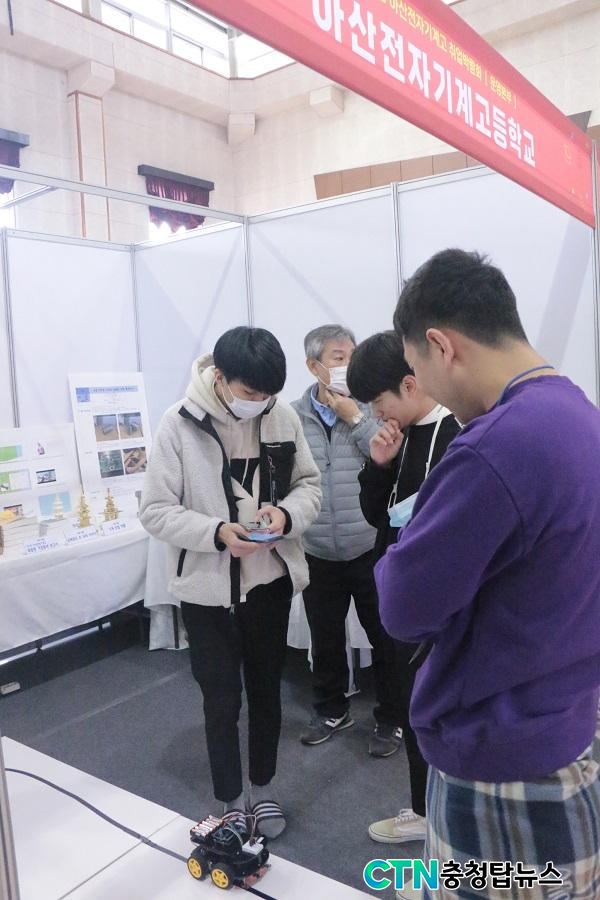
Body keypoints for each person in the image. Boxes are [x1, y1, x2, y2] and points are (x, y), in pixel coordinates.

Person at [376, 249, 600, 899]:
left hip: (501, 761)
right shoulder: (579, 414)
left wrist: (408, 534)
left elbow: (403, 608)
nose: (426, 388)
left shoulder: (496, 447)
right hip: (565, 721)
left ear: (442, 345)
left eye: (417, 369)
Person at [140, 327, 321, 839]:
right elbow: (155, 510)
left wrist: (286, 515)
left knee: (266, 691)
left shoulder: (281, 416)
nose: (259, 402)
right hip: (208, 591)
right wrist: (216, 533)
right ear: (219, 377)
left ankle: (263, 789)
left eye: (268, 394)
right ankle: (230, 799)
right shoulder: (179, 423)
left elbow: (309, 485)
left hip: (269, 582)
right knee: (220, 698)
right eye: (249, 392)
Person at [347, 330, 459, 851]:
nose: (377, 414)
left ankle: (449, 824)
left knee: (440, 715)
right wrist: (379, 466)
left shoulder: (459, 432)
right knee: (413, 711)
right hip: (399, 597)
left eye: (379, 402)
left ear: (409, 385)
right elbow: (378, 517)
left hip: (443, 607)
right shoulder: (399, 434)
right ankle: (423, 810)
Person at [292, 324, 404, 757]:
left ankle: (392, 717)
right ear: (314, 366)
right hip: (317, 546)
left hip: (368, 545)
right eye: (339, 358)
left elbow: (389, 459)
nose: (348, 365)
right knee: (325, 637)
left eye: (352, 356)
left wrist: (354, 417)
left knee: (385, 635)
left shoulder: (372, 408)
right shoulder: (293, 416)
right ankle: (331, 710)